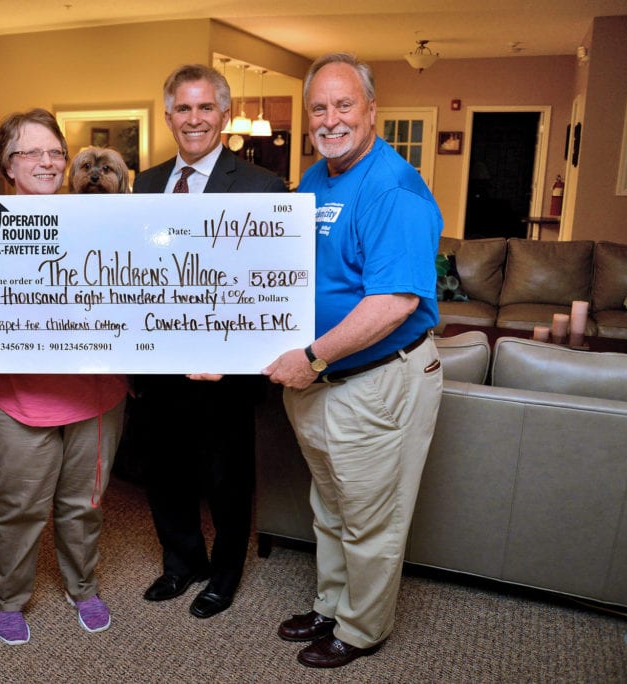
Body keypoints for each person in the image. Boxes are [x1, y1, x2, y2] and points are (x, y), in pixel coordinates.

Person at [262, 53, 444, 668]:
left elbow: (393, 302)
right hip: (322, 381)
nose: (331, 119)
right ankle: (332, 604)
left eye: (345, 105)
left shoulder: (391, 187)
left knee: (371, 518)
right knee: (332, 506)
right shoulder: (316, 179)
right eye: (320, 107)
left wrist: (311, 356)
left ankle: (362, 629)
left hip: (374, 380)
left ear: (372, 111)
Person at [131, 63, 288, 619]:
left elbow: (270, 285)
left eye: (205, 108)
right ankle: (182, 564)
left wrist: (233, 356)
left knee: (224, 479)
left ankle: (223, 575)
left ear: (223, 114)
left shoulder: (262, 186)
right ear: (168, 114)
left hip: (224, 371)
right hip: (158, 362)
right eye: (182, 108)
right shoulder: (146, 184)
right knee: (165, 473)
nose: (193, 119)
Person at [0, 108, 129, 645]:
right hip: (14, 397)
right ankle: (10, 600)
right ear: (6, 165)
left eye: (54, 152)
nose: (45, 162)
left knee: (84, 504)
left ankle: (82, 586)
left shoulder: (103, 219)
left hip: (96, 394)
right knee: (18, 507)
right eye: (29, 152)